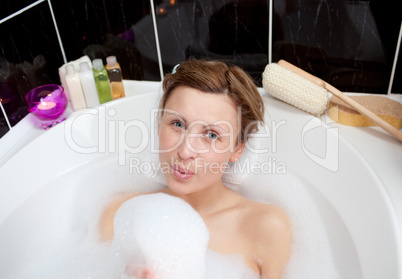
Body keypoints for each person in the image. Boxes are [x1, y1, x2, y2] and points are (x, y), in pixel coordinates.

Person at [99, 60, 292, 278]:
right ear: (160, 122)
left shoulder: (265, 227)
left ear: (237, 149)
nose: (184, 151)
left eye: (211, 135)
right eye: (178, 124)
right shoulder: (120, 215)